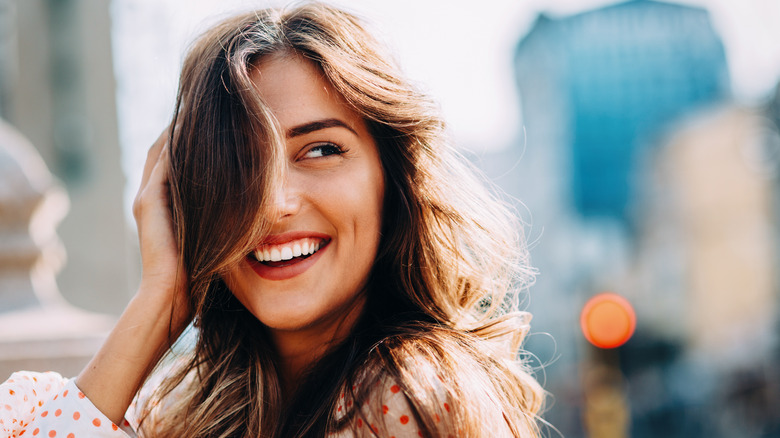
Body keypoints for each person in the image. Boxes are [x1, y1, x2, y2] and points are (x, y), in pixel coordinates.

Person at [1, 2, 544, 436]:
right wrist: (159, 301)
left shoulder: (405, 402)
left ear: (392, 179)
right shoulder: (186, 411)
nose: (271, 202)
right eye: (238, 165)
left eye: (321, 149)